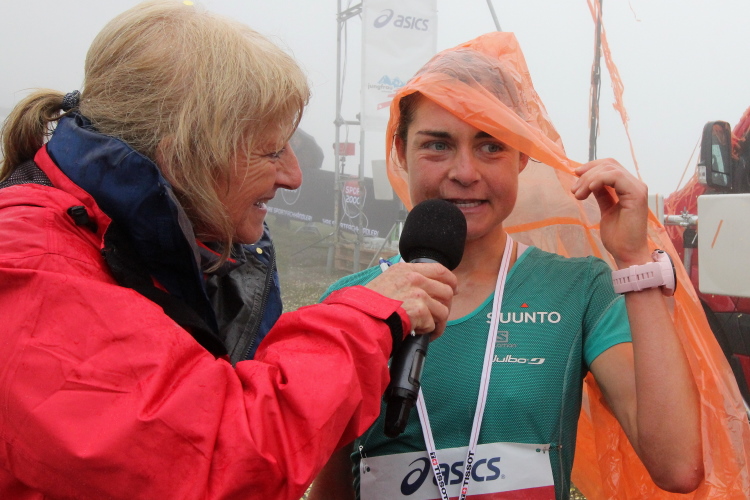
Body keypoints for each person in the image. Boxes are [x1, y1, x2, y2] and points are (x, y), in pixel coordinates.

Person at [0, 2, 457, 499]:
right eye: (270, 151)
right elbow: (213, 461)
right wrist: (366, 320)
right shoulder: (32, 263)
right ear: (184, 157)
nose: (293, 176)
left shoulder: (157, 245)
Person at [308, 32, 705, 500]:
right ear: (400, 151)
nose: (465, 172)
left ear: (522, 154)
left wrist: (635, 259)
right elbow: (331, 485)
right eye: (437, 146)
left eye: (491, 146)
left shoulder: (578, 289)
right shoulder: (350, 303)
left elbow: (677, 467)